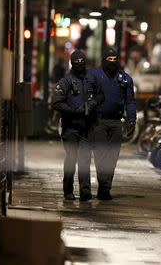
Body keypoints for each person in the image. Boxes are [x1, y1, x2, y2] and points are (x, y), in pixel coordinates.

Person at [52, 50, 104, 201]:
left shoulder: (91, 78)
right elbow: (56, 102)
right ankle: (68, 190)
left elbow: (101, 95)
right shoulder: (66, 81)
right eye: (77, 62)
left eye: (82, 62)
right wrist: (74, 111)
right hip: (70, 127)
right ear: (72, 63)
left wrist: (93, 102)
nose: (80, 65)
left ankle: (85, 192)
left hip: (87, 127)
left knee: (85, 159)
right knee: (71, 159)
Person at [88, 47, 136, 200]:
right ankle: (103, 186)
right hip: (98, 121)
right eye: (109, 60)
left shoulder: (125, 79)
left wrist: (132, 120)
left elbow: (130, 101)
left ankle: (106, 187)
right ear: (103, 60)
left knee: (112, 157)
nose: (112, 63)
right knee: (101, 155)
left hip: (116, 122)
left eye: (115, 59)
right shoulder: (94, 75)